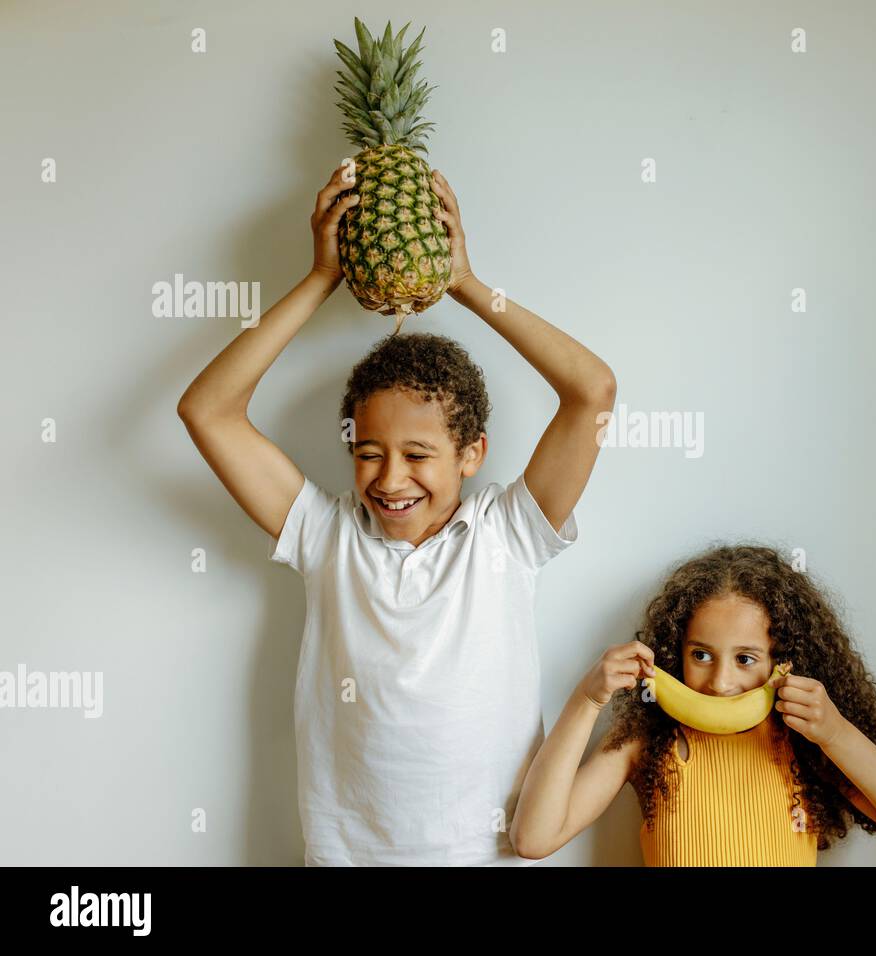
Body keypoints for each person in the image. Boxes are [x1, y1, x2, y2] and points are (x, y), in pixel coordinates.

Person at [177, 164, 616, 865]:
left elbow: (591, 391)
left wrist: (465, 282)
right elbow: (207, 410)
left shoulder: (507, 535)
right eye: (369, 452)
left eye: (419, 455)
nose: (390, 479)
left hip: (481, 854)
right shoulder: (324, 535)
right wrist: (321, 278)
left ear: (472, 454)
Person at [511, 544, 876, 865]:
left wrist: (837, 734)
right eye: (700, 655)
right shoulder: (649, 741)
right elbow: (533, 838)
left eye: (746, 659)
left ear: (782, 662)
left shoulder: (805, 744)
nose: (721, 682)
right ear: (675, 654)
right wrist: (586, 699)